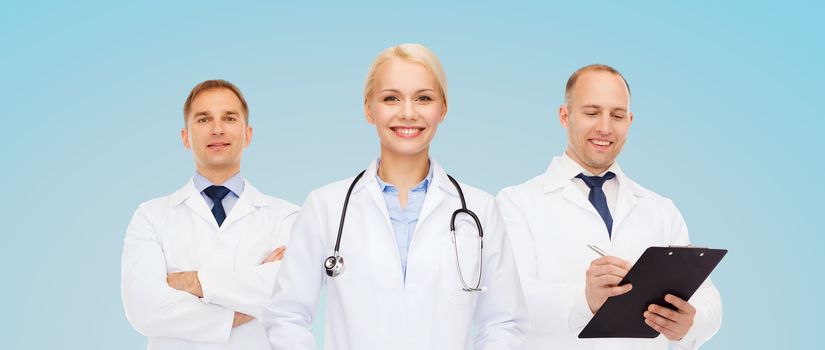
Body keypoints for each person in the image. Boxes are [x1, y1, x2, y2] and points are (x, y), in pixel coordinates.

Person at [261, 44, 527, 349]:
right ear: (368, 108)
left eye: (423, 98)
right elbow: (287, 316)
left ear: (443, 108)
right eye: (391, 98)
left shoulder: (480, 210)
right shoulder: (326, 207)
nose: (408, 113)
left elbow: (503, 323)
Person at [496, 64, 722, 349]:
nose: (604, 127)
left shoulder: (660, 209)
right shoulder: (516, 203)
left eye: (616, 115)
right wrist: (585, 299)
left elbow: (707, 296)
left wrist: (690, 324)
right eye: (591, 113)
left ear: (630, 121)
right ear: (565, 116)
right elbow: (507, 302)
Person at [121, 79, 298, 350]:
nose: (217, 129)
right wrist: (246, 306)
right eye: (204, 120)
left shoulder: (285, 216)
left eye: (229, 118)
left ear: (247, 134)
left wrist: (193, 281)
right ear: (185, 137)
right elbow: (143, 308)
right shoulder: (151, 217)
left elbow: (288, 290)